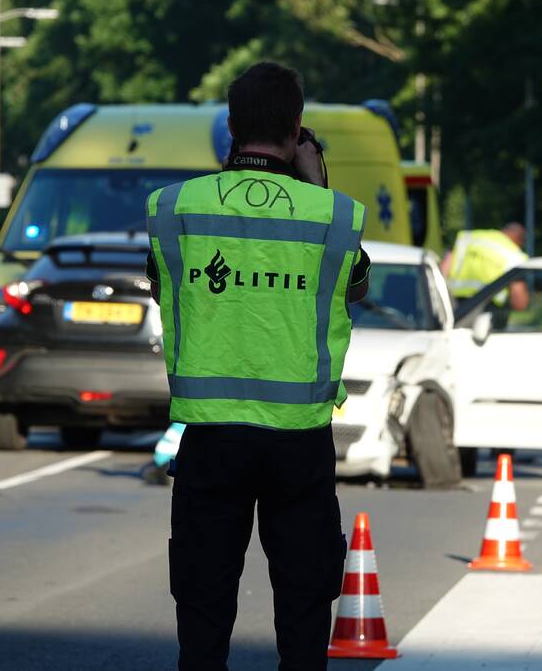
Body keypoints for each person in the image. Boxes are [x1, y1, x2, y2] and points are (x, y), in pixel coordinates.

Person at [145, 61, 370, 671]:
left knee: (203, 611)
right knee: (303, 613)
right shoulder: (334, 216)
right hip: (298, 443)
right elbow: (356, 286)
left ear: (229, 126)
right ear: (298, 130)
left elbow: (159, 277)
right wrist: (315, 184)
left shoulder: (175, 208)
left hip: (211, 438)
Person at [440, 223, 529, 310]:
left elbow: (444, 268)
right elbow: (519, 302)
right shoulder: (516, 256)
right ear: (520, 241)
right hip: (486, 310)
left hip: (451, 304)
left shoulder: (469, 238)